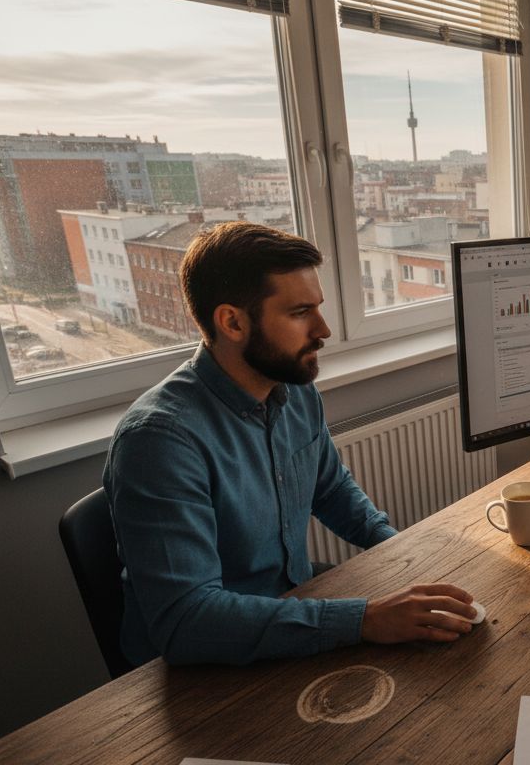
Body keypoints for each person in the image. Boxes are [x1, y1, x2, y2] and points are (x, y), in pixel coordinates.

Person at [104, 221, 476, 667]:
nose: (324, 329)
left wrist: (401, 549)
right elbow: (188, 621)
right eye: (301, 312)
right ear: (233, 322)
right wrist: (365, 620)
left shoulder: (293, 389)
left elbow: (332, 490)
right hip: (196, 667)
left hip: (292, 608)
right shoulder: (159, 442)